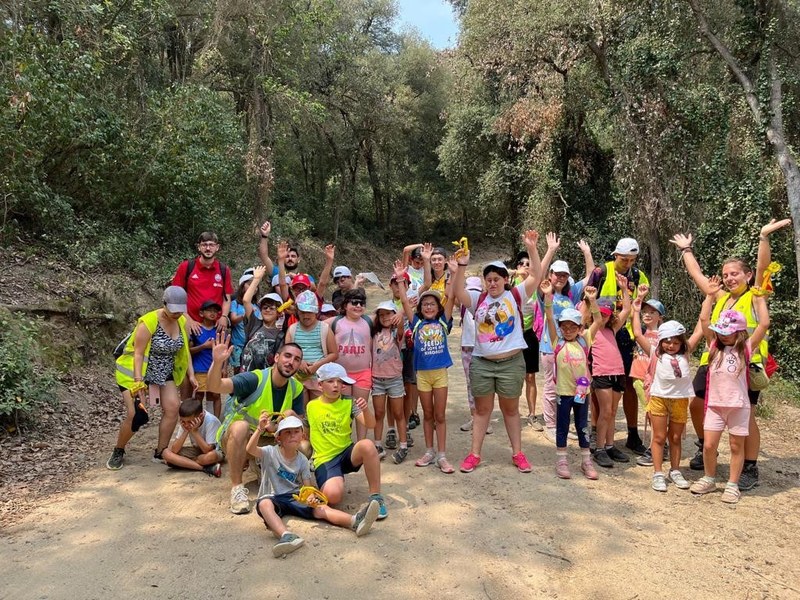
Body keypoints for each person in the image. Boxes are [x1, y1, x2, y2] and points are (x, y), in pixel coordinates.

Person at [670, 218, 790, 489]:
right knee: (697, 404)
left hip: (746, 363)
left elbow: (762, 268)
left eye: (734, 273)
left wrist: (763, 237)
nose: (729, 278)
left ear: (747, 276)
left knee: (746, 416)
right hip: (713, 361)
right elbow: (698, 276)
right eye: (725, 274)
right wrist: (686, 250)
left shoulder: (754, 295)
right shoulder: (721, 297)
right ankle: (706, 447)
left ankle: (750, 466)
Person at [452, 230, 543, 474]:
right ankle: (474, 455)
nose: (492, 283)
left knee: (511, 410)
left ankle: (518, 453)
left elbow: (537, 275)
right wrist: (462, 265)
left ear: (505, 280)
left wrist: (532, 248)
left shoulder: (515, 295)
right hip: (482, 363)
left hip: (511, 363)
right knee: (482, 411)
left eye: (496, 279)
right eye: (488, 279)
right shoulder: (478, 300)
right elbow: (458, 292)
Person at [248, 415, 380, 558]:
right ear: (278, 438)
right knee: (264, 504)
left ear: (302, 436)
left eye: (296, 432)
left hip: (294, 495)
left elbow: (308, 487)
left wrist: (311, 499)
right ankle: (286, 536)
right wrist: (260, 429)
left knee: (319, 509)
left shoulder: (303, 461)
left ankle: (354, 521)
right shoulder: (270, 452)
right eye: (287, 432)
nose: (292, 435)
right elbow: (250, 449)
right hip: (272, 496)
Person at [206, 335, 306, 514]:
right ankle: (237, 488)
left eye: (297, 359)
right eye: (287, 356)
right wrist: (217, 363)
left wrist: (277, 427)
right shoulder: (255, 379)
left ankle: (269, 470)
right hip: (239, 438)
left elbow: (298, 427)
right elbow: (215, 386)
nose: (291, 362)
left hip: (268, 438)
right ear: (276, 358)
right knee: (240, 427)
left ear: (299, 365)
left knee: (301, 437)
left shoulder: (296, 388)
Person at [107, 286, 197, 470]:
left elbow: (185, 350)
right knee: (137, 415)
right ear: (164, 304)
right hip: (136, 372)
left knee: (173, 408)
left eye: (181, 310)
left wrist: (191, 374)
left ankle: (161, 451)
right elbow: (138, 354)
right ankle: (119, 450)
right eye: (173, 310)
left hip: (163, 371)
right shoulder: (149, 321)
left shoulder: (182, 322)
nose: (177, 314)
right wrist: (138, 382)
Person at [690, 300, 769, 504]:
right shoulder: (714, 347)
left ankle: (732, 484)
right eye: (721, 331)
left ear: (739, 332)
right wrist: (708, 298)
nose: (724, 335)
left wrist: (760, 301)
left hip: (738, 406)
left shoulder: (746, 349)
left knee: (736, 446)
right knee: (708, 445)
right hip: (715, 406)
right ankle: (709, 478)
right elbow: (705, 319)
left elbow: (763, 325)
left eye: (728, 331)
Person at [631, 292, 706, 492]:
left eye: (675, 342)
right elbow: (638, 333)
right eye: (667, 341)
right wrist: (636, 309)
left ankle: (674, 470)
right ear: (661, 340)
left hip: (680, 400)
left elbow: (700, 328)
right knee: (659, 437)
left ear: (681, 342)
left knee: (675, 438)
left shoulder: (686, 352)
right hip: (658, 399)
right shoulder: (655, 352)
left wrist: (709, 299)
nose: (671, 345)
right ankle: (657, 473)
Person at [587, 237, 649, 455]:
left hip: (626, 335)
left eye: (632, 260)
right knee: (599, 384)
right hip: (599, 332)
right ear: (615, 255)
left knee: (627, 385)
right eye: (624, 259)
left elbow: (637, 306)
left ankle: (632, 435)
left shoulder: (639, 276)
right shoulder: (600, 272)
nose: (628, 264)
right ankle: (596, 433)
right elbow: (586, 300)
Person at [395, 260, 457, 474]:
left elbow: (451, 298)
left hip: (440, 374)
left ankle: (442, 454)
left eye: (432, 304)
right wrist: (401, 279)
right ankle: (429, 451)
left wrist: (455, 274)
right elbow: (403, 301)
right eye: (425, 304)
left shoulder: (443, 321)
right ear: (420, 308)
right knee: (427, 414)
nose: (429, 307)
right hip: (422, 375)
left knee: (440, 415)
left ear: (438, 307)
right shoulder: (417, 323)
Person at [306, 363, 388, 519]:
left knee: (367, 445)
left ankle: (376, 497)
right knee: (333, 496)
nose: (336, 385)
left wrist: (365, 409)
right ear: (320, 385)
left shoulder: (349, 402)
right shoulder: (311, 406)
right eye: (330, 381)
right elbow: (304, 429)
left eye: (340, 381)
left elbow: (371, 424)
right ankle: (331, 479)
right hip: (325, 459)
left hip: (346, 453)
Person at [537, 239, 595, 443]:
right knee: (551, 387)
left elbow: (590, 278)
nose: (560, 278)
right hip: (551, 346)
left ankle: (562, 423)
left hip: (573, 348)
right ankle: (550, 425)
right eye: (557, 274)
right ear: (550, 275)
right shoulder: (544, 292)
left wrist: (587, 252)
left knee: (568, 386)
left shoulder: (571, 293)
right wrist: (551, 250)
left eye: (564, 275)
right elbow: (538, 274)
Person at [541, 282, 597, 480]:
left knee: (582, 426)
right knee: (562, 426)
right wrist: (548, 296)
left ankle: (586, 460)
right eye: (564, 326)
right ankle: (562, 460)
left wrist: (591, 301)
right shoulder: (557, 342)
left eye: (572, 326)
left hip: (583, 393)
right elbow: (549, 317)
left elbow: (597, 320)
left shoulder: (585, 340)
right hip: (563, 393)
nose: (568, 329)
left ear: (580, 327)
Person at [587, 275, 632, 469]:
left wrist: (624, 290)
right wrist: (591, 299)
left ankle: (610, 445)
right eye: (600, 314)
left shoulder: (612, 329)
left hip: (618, 373)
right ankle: (599, 449)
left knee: (612, 412)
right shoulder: (591, 330)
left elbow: (627, 310)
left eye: (606, 314)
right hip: (601, 374)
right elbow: (593, 317)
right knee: (605, 411)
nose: (603, 317)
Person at [627, 286, 665, 467]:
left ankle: (658, 446)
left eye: (653, 312)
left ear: (661, 317)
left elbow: (636, 332)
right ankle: (657, 444)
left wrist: (636, 308)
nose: (647, 314)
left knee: (653, 413)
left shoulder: (663, 337)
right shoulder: (644, 333)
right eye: (645, 311)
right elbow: (636, 331)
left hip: (651, 381)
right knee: (650, 413)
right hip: (638, 379)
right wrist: (637, 306)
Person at [171, 231, 234, 336]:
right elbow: (175, 297)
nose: (208, 248)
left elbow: (226, 298)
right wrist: (188, 319)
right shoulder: (186, 267)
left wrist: (224, 316)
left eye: (211, 245)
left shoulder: (223, 270)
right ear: (199, 247)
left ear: (217, 247)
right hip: (190, 324)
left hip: (215, 326)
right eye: (204, 245)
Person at [371, 301, 409, 463]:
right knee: (379, 413)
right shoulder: (374, 332)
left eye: (388, 313)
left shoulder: (397, 332)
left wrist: (399, 314)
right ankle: (378, 445)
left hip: (394, 378)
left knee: (398, 413)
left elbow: (400, 326)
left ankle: (403, 445)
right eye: (381, 314)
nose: (385, 317)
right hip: (377, 378)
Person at [285, 290, 338, 403]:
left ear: (315, 312)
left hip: (318, 378)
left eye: (309, 312)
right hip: (298, 377)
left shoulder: (324, 329)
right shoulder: (292, 329)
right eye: (302, 312)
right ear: (298, 312)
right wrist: (299, 362)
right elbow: (287, 352)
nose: (306, 315)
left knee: (318, 408)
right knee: (302, 411)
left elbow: (334, 354)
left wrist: (317, 365)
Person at [458, 276, 492, 434]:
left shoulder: (488, 303)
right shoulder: (463, 304)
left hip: (482, 347)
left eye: (476, 292)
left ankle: (485, 418)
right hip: (467, 346)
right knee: (470, 383)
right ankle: (475, 417)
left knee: (485, 384)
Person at [161, 398, 223, 477]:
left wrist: (194, 432)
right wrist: (185, 431)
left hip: (213, 452)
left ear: (200, 416)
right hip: (197, 451)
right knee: (166, 453)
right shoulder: (186, 423)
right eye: (183, 422)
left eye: (189, 422)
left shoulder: (211, 421)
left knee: (210, 457)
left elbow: (207, 450)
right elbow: (174, 449)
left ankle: (184, 463)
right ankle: (205, 468)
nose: (186, 425)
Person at [240, 266, 284, 372]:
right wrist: (256, 279)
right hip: (246, 376)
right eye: (265, 307)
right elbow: (246, 300)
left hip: (264, 379)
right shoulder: (254, 323)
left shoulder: (281, 335)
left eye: (272, 308)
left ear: (279, 313)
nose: (267, 310)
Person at [190, 300, 222, 417]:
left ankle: (215, 421)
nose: (213, 313)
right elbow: (189, 351)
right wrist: (203, 346)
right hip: (200, 368)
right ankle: (198, 420)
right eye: (209, 310)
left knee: (215, 395)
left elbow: (225, 350)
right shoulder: (196, 329)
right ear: (201, 313)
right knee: (199, 395)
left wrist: (223, 368)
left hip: (215, 368)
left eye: (215, 311)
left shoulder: (219, 329)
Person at [229, 269, 259, 372]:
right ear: (242, 286)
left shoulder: (258, 305)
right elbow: (233, 319)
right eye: (249, 284)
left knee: (251, 369)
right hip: (238, 344)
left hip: (253, 344)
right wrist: (245, 314)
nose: (253, 287)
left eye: (255, 285)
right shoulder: (235, 303)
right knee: (237, 371)